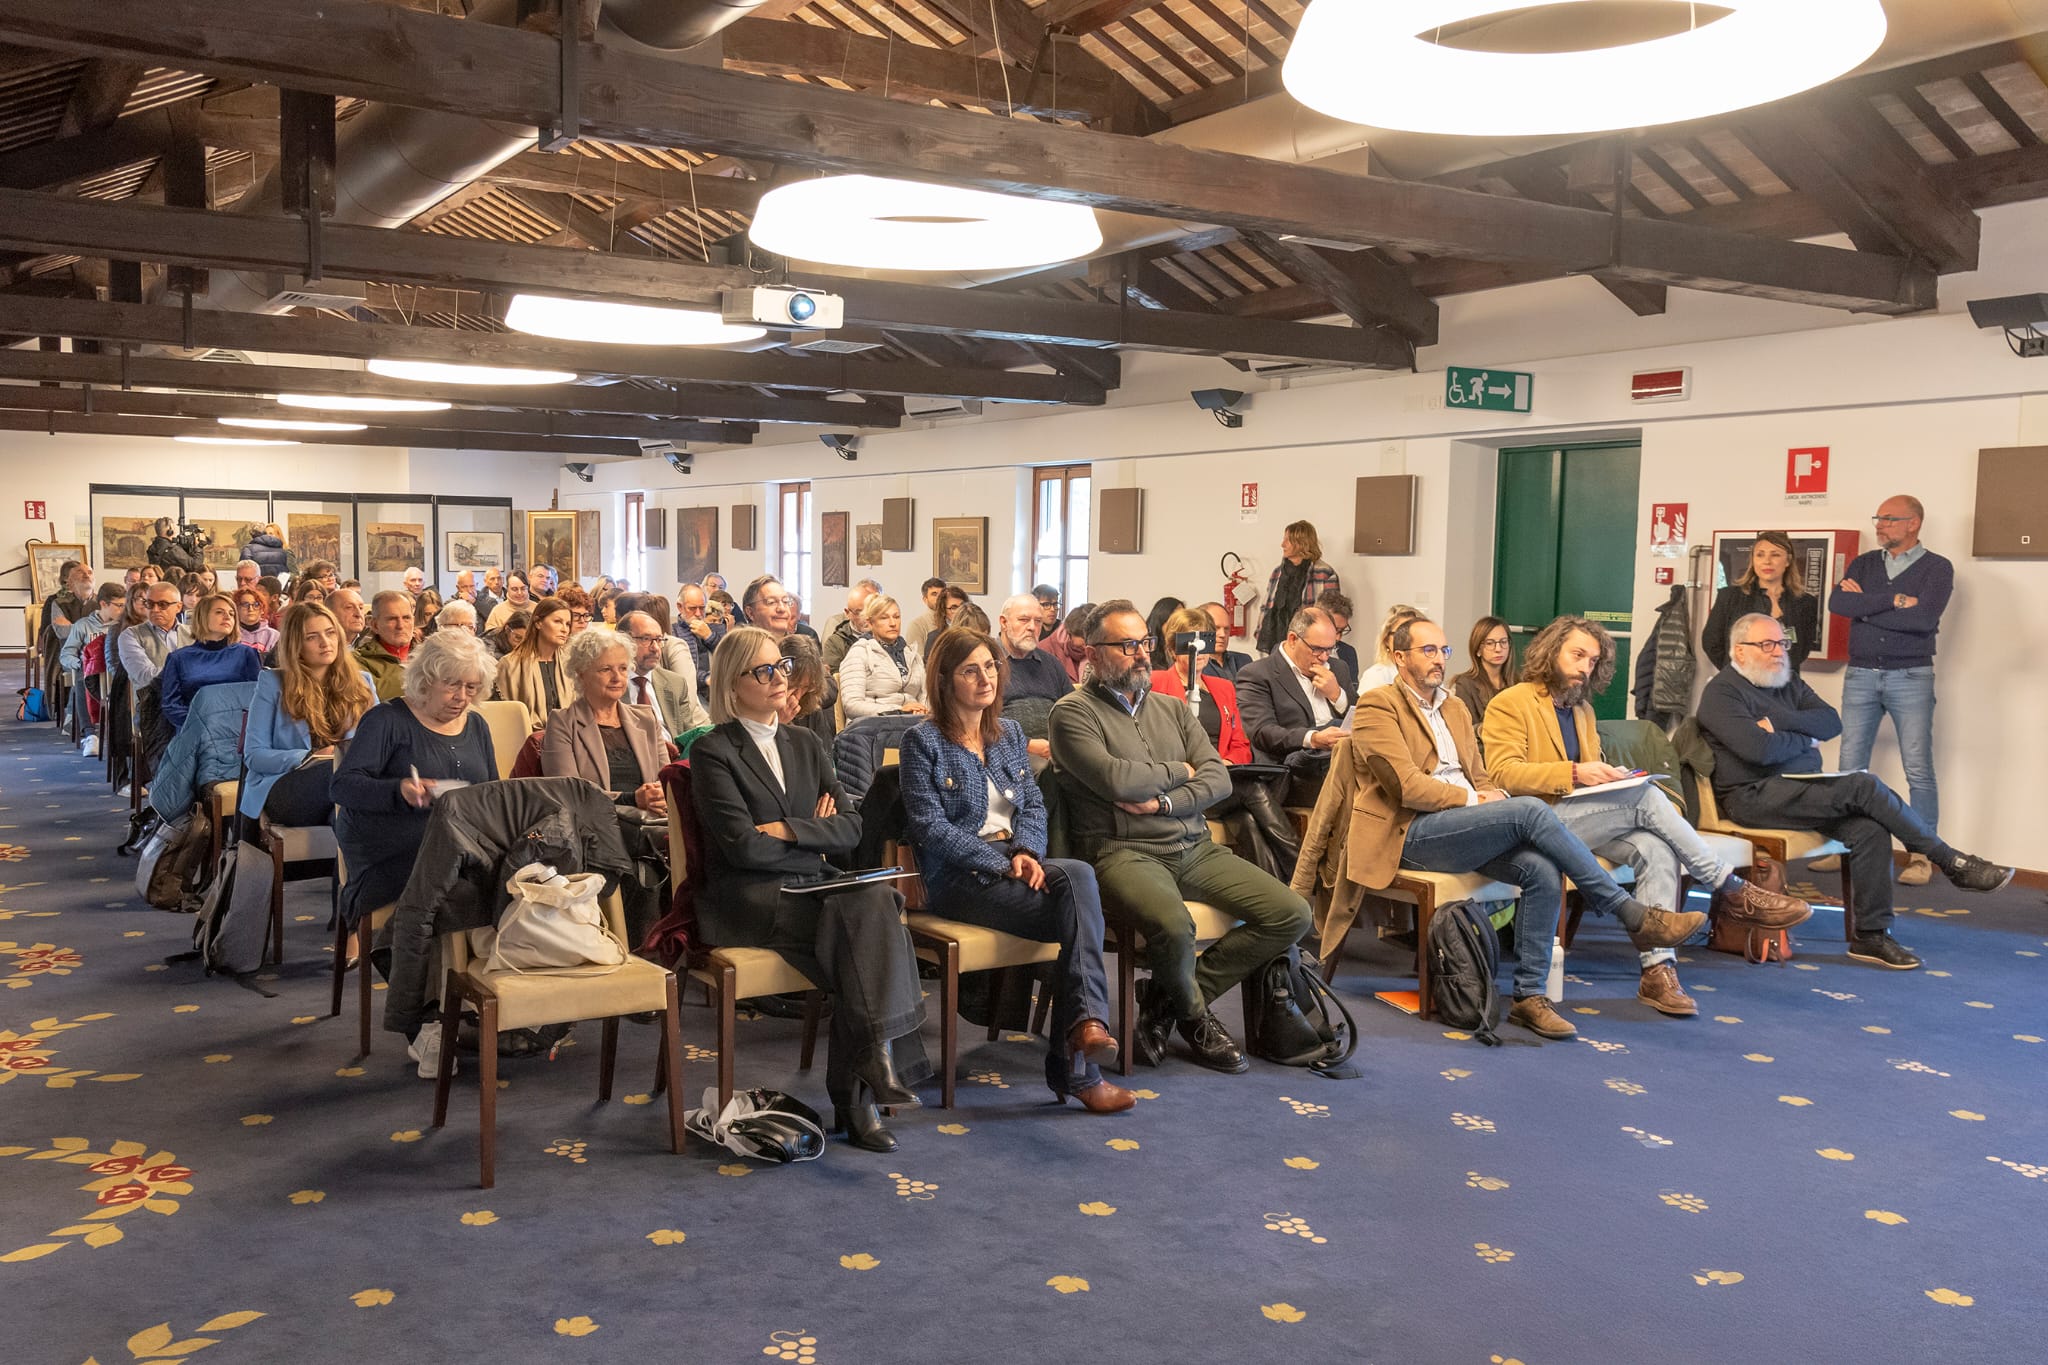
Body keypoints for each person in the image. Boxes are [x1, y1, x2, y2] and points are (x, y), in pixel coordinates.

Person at [1348, 617, 1701, 1041]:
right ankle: (1630, 913)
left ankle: (1530, 996)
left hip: (1463, 825)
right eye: (1428, 651)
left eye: (1444, 650)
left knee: (1541, 867)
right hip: (1411, 833)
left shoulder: (1454, 707)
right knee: (1531, 810)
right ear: (1398, 656)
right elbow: (1404, 786)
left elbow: (1479, 774)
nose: (1439, 660)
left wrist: (1485, 795)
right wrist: (1476, 801)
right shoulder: (1377, 705)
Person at [1481, 616, 1810, 1017]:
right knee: (1649, 799)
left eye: (1593, 660)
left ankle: (1658, 972)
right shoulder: (1511, 702)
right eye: (1578, 655)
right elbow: (1502, 773)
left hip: (1581, 817)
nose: (1585, 666)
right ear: (1551, 652)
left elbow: (1589, 772)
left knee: (1657, 847)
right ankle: (1731, 887)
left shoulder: (1581, 710)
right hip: (1536, 821)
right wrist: (1574, 772)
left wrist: (1607, 776)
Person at [689, 626, 930, 1152]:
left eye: (781, 666)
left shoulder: (804, 740)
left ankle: (866, 1075)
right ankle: (859, 1091)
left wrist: (789, 828)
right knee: (867, 920)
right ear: (733, 684)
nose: (780, 678)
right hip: (752, 897)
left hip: (814, 886)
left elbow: (851, 829)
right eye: (764, 670)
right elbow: (742, 850)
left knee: (873, 902)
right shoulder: (714, 752)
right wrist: (809, 833)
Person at [1049, 600, 1312, 1073]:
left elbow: (1219, 779)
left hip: (1191, 845)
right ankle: (1195, 1016)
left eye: (1144, 643)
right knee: (1174, 926)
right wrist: (1180, 770)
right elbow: (1116, 780)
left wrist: (1167, 800)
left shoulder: (1171, 708)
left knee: (1290, 914)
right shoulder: (1072, 712)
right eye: (1127, 645)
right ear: (1092, 652)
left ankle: (1168, 1003)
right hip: (1121, 852)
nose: (1141, 654)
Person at [1695, 613, 2009, 971]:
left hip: (1798, 789)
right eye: (1767, 645)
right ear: (1740, 650)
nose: (1778, 652)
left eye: (1782, 643)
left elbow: (1831, 722)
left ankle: (1870, 937)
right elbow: (1758, 751)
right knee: (1863, 785)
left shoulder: (1787, 683)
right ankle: (1950, 861)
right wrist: (1804, 741)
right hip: (1752, 796)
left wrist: (1780, 725)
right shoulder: (1722, 692)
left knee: (1869, 829)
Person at [902, 629, 1134, 1113]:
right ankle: (1083, 1057)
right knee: (1081, 902)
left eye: (990, 666)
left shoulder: (1006, 733)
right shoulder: (921, 742)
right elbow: (930, 829)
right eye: (971, 669)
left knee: (1076, 890)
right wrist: (1002, 862)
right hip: (959, 879)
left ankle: (1086, 1040)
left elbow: (1030, 803)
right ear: (944, 679)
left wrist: (1025, 850)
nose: (985, 678)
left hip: (1017, 864)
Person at [333, 631, 499, 1075]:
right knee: (448, 894)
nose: (462, 697)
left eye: (470, 687)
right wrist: (400, 790)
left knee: (513, 884)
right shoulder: (386, 721)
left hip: (458, 849)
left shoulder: (477, 726)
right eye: (452, 685)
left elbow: (491, 795)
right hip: (393, 853)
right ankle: (425, 1023)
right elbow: (343, 786)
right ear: (425, 680)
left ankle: (480, 1006)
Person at [1828, 495, 1953, 886]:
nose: (1879, 525)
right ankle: (1842, 845)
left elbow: (1923, 619)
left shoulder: (1937, 568)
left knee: (1917, 767)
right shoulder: (1865, 563)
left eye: (1888, 519)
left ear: (1913, 523)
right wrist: (1894, 601)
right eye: (1878, 518)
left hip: (1911, 676)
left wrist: (1866, 607)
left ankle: (1921, 855)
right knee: (1850, 765)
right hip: (1861, 674)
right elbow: (1838, 603)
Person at [540, 627, 676, 941]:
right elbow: (568, 791)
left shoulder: (645, 718)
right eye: (605, 669)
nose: (617, 677)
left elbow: (663, 778)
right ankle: (639, 946)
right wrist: (633, 797)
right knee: (640, 854)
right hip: (592, 825)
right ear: (580, 673)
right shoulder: (562, 723)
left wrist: (657, 795)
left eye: (622, 668)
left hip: (650, 821)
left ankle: (673, 944)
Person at [1149, 605, 1300, 874]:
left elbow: (1242, 744)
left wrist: (1226, 761)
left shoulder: (1223, 687)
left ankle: (1283, 895)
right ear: (1172, 649)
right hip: (1183, 784)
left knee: (1248, 821)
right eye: (1190, 645)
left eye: (1204, 642)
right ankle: (1300, 870)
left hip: (1222, 781)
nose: (1199, 651)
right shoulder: (1156, 683)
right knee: (1252, 789)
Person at [239, 602, 375, 834]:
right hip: (287, 784)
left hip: (345, 788)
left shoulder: (362, 682)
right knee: (336, 772)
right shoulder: (272, 684)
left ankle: (346, 872)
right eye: (312, 637)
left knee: (348, 818)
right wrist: (311, 756)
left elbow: (377, 744)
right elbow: (255, 755)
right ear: (297, 645)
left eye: (330, 633)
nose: (325, 642)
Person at [1235, 605, 1356, 806]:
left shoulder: (1338, 668)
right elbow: (1262, 732)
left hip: (1341, 758)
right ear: (1293, 639)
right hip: (1295, 770)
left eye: (1330, 649)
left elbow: (1362, 716)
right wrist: (1314, 739)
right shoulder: (1257, 674)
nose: (1324, 657)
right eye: (1317, 649)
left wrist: (1337, 695)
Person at [1703, 531, 1820, 678]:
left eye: (1775, 555)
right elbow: (1711, 642)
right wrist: (1737, 673)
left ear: (1788, 561)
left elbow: (1802, 649)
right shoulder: (1729, 597)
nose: (1767, 561)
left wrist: (1777, 673)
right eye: (1760, 555)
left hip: (1784, 685)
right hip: (1740, 684)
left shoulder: (1805, 602)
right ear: (1753, 560)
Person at [156, 593, 260, 734]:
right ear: (203, 616)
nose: (228, 617)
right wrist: (200, 725)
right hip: (194, 730)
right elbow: (171, 705)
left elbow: (256, 699)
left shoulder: (247, 654)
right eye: (219, 612)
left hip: (237, 731)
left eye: (231, 614)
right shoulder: (178, 658)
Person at [620, 610, 710, 738]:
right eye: (646, 639)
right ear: (624, 641)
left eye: (659, 640)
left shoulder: (675, 683)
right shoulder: (611, 685)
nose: (656, 648)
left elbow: (688, 738)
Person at [1257, 520, 1341, 654]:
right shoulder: (1278, 572)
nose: (1282, 544)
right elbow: (1267, 606)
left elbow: (1332, 616)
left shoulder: (1325, 573)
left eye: (1287, 540)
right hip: (1275, 642)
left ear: (1301, 543)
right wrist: (1260, 631)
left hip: (1309, 645)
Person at [840, 594, 927, 718]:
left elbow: (925, 695)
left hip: (912, 723)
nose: (893, 623)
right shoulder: (859, 653)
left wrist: (923, 711)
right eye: (884, 618)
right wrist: (899, 710)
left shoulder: (911, 654)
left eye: (896, 617)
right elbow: (852, 705)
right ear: (870, 623)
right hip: (873, 727)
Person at [493, 596, 577, 726]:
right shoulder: (510, 664)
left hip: (566, 736)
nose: (564, 629)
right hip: (525, 738)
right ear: (538, 623)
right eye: (557, 621)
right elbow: (502, 717)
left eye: (568, 624)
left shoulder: (569, 663)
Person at [995, 593, 1072, 704]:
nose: (1032, 627)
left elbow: (1072, 708)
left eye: (1038, 621)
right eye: (1024, 620)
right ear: (1004, 622)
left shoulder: (1052, 664)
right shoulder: (987, 662)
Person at [1449, 615, 1514, 731]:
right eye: (1490, 643)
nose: (1498, 649)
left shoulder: (1518, 683)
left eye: (1503, 642)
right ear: (1478, 649)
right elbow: (1466, 731)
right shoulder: (1465, 685)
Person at [353, 590, 415, 703]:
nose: (400, 626)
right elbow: (376, 694)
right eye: (392, 619)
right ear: (375, 625)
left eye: (406, 618)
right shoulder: (358, 660)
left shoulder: (430, 652)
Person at [777, 634, 837, 745]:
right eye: (792, 686)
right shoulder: (762, 710)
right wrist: (778, 725)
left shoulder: (812, 705)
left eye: (806, 687)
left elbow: (824, 758)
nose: (798, 696)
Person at [1357, 603, 1425, 691]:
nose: (1407, 639)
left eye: (1413, 633)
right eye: (1400, 634)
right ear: (1386, 640)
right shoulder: (1375, 676)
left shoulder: (1428, 673)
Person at [673, 582, 724, 691]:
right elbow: (680, 670)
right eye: (692, 608)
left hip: (716, 690)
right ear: (680, 607)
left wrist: (709, 636)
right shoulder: (673, 632)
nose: (698, 613)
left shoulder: (715, 627)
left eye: (702, 608)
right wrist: (705, 678)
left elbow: (728, 656)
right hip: (690, 691)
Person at [823, 580, 881, 674]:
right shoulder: (835, 643)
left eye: (870, 611)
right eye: (859, 612)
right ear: (848, 613)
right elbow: (835, 681)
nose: (865, 617)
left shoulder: (886, 636)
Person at [1198, 601, 1254, 679]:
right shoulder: (1195, 666)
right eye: (1215, 628)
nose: (1223, 634)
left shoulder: (1244, 661)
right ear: (1199, 629)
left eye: (1226, 629)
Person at [1041, 604, 1092, 685]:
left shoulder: (1104, 648)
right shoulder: (1044, 650)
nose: (1088, 650)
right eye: (1082, 646)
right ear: (1069, 634)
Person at [1315, 589, 1359, 678]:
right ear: (1317, 621)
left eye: (1342, 631)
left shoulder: (1349, 653)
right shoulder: (1302, 652)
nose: (1338, 638)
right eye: (1335, 630)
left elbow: (1352, 690)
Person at [902, 577, 949, 655]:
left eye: (942, 594)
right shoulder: (916, 625)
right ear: (925, 599)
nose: (939, 597)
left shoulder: (952, 621)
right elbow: (917, 661)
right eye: (934, 594)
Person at [233, 586, 279, 654]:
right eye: (245, 604)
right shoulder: (231, 634)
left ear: (262, 609)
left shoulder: (274, 635)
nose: (250, 609)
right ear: (236, 608)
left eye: (256, 605)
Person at [1143, 596, 1184, 670]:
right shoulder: (1146, 647)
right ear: (1161, 619)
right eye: (1174, 619)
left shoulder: (1183, 648)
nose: (1179, 625)